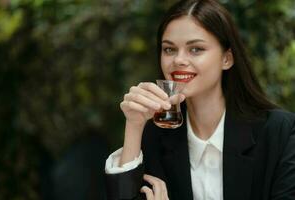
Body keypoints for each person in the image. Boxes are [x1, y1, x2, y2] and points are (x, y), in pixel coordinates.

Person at [105, 0, 295, 199]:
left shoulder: (280, 133)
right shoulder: (153, 137)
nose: (178, 60)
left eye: (195, 49)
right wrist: (134, 126)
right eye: (169, 49)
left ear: (227, 59)